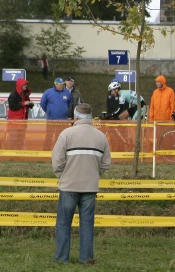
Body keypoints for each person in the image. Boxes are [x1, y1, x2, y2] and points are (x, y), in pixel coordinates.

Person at [52, 103, 111, 264]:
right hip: (90, 187)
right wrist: (94, 174)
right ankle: (86, 258)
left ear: (76, 117)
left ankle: (61, 258)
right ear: (91, 117)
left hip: (68, 186)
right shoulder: (101, 136)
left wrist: (62, 175)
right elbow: (106, 163)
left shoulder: (66, 134)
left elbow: (57, 161)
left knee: (63, 223)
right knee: (87, 224)